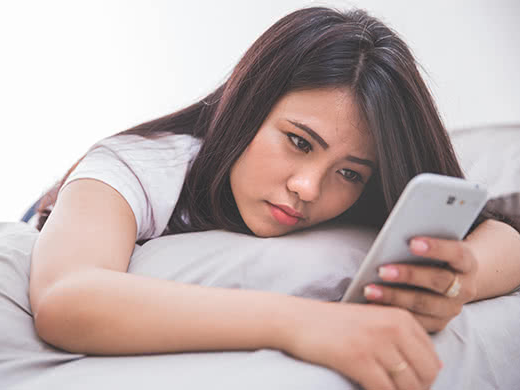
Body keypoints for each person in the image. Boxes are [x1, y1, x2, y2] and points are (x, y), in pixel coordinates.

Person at [28, 7, 520, 390]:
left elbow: (501, 234)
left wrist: (455, 282)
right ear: (249, 106)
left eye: (348, 172)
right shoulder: (140, 165)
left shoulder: (364, 191)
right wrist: (307, 324)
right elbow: (67, 296)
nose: (308, 188)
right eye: (299, 142)